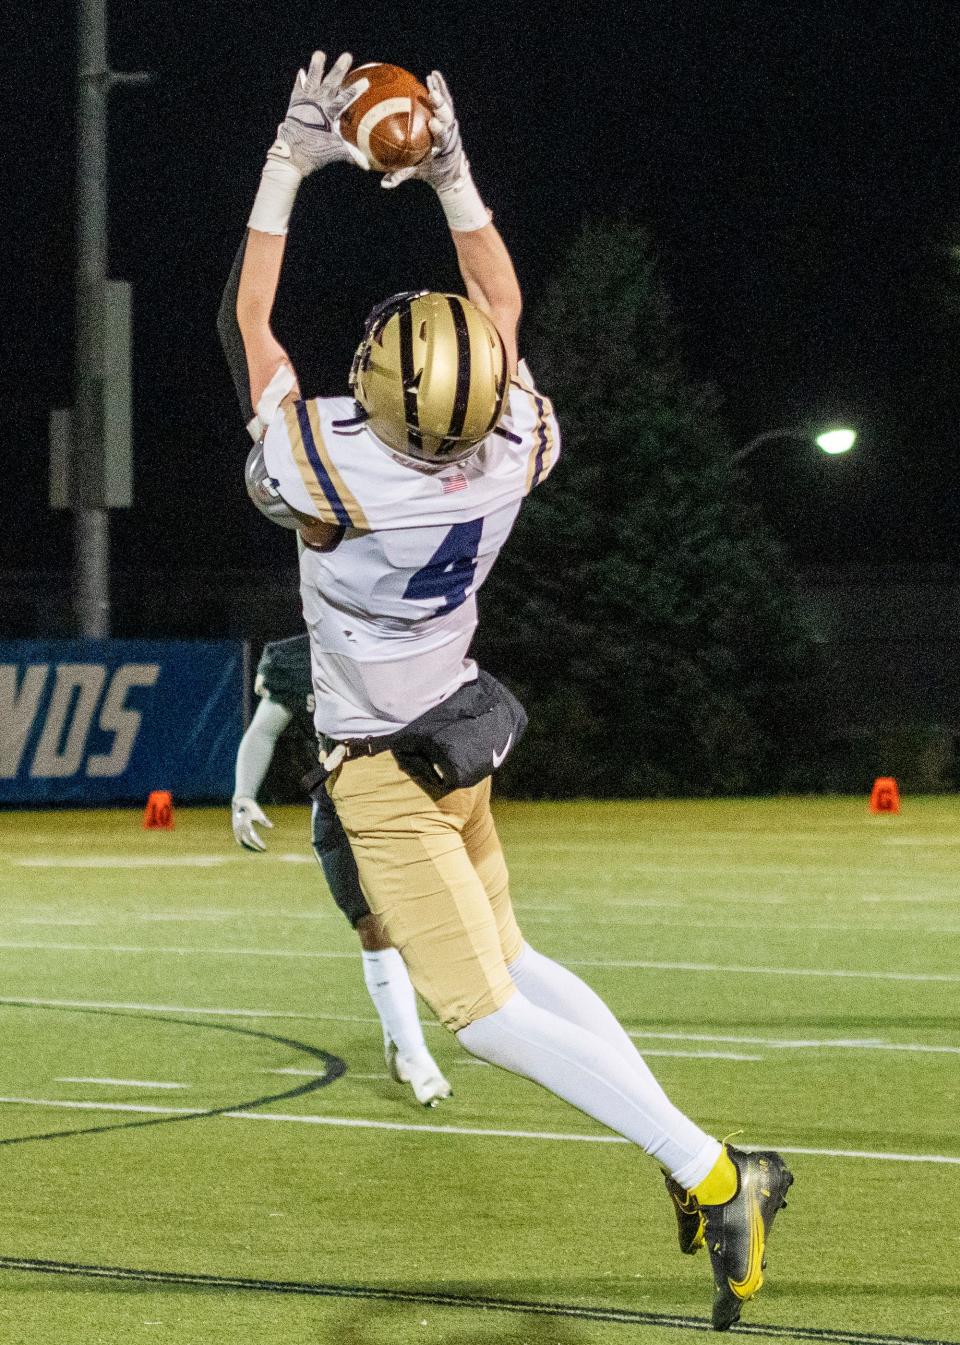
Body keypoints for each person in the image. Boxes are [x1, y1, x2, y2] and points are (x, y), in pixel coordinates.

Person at [219, 50, 792, 1330]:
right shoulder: (514, 441)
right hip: (462, 730)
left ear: (375, 391)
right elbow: (503, 300)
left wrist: (289, 162)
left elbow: (247, 332)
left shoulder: (332, 473)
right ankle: (690, 1160)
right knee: (520, 963)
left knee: (476, 1013)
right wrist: (453, 170)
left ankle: (714, 1168)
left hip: (383, 763)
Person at [231, 632, 452, 1107]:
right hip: (336, 805)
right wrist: (244, 794)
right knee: (373, 926)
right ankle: (414, 1052)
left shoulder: (398, 641)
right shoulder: (298, 657)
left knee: (415, 924)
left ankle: (400, 1035)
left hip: (399, 801)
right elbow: (266, 729)